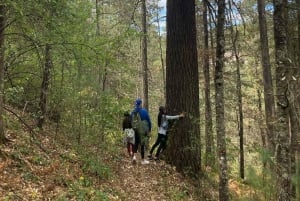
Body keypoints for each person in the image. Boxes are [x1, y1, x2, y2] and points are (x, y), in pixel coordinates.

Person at [131, 98, 152, 165]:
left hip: (135, 129)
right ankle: (142, 160)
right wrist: (149, 129)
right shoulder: (144, 111)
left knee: (136, 143)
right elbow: (149, 121)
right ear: (140, 104)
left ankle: (134, 157)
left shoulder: (133, 112)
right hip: (142, 130)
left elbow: (131, 121)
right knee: (142, 144)